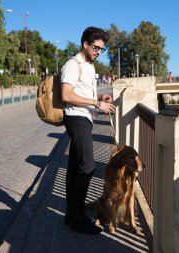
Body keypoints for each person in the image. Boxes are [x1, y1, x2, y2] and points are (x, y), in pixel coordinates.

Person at [60, 27, 115, 235]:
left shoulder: (89, 67)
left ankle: (70, 214)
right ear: (85, 44)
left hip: (85, 117)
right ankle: (78, 216)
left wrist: (99, 101)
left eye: (101, 49)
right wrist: (95, 103)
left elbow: (81, 93)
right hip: (76, 118)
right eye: (95, 47)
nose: (98, 52)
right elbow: (66, 95)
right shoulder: (72, 65)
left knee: (75, 167)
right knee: (88, 166)